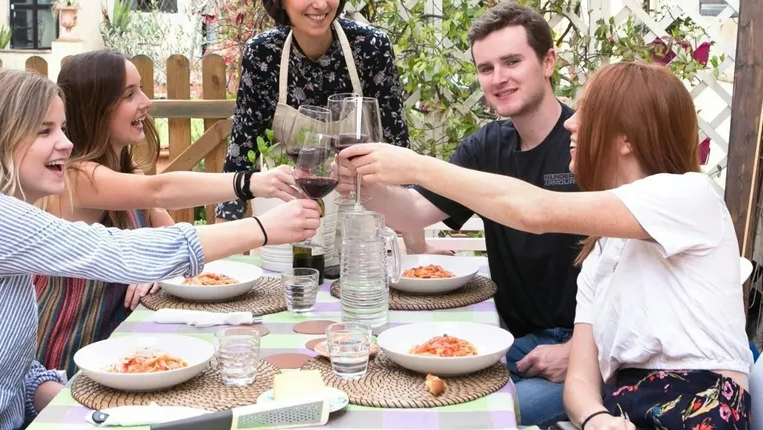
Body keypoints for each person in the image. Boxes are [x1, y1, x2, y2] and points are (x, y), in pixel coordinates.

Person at [0, 68, 321, 429]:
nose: (66, 143)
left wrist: (87, 407)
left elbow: (12, 370)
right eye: (45, 130)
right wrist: (261, 228)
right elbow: (113, 253)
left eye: (63, 127)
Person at [339, 61, 752, 430]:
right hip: (618, 409)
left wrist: (415, 166)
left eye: (588, 114)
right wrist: (595, 419)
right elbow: (581, 382)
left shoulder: (688, 196)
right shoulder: (602, 250)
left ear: (626, 137)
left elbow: (533, 211)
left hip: (695, 407)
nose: (572, 124)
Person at [335, 2, 583, 426]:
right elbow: (414, 213)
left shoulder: (585, 144)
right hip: (512, 339)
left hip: (587, 349)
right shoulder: (486, 146)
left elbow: (635, 273)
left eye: (511, 62)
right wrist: (364, 185)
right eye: (486, 68)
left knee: (468, 415)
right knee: (395, 384)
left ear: (548, 62)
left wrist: (579, 351)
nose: (498, 78)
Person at [33, 49, 303, 376]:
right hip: (69, 349)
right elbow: (159, 190)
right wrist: (253, 186)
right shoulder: (76, 178)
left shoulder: (127, 177)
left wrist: (154, 269)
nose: (146, 102)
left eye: (141, 90)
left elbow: (176, 244)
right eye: (129, 95)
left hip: (119, 347)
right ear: (95, 107)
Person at [215, 0, 437, 254]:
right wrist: (221, 258)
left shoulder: (370, 46)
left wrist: (418, 248)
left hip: (358, 228)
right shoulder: (263, 53)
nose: (320, 4)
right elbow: (240, 154)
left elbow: (397, 150)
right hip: (286, 230)